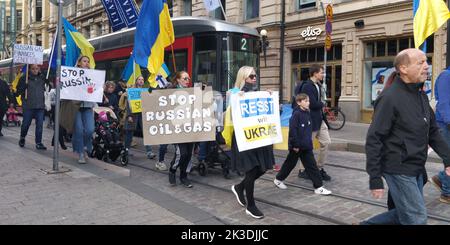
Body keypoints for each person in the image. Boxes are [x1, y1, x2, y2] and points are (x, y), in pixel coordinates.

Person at [362, 48, 450, 225]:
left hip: (416, 166)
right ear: (403, 68)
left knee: (403, 213)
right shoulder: (389, 97)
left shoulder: (420, 96)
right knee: (416, 217)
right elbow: (374, 138)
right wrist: (375, 177)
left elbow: (433, 132)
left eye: (426, 62)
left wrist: (448, 159)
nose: (427, 66)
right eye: (421, 62)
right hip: (398, 167)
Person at [230, 66, 275, 219]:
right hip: (244, 138)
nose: (254, 79)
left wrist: (269, 98)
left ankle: (239, 187)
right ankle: (251, 205)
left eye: (255, 76)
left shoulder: (257, 94)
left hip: (259, 137)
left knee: (262, 168)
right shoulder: (235, 93)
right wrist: (238, 99)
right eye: (251, 76)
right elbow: (231, 115)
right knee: (251, 169)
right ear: (243, 78)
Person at [273, 93, 332, 195]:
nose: (308, 103)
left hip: (305, 146)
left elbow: (307, 130)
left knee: (311, 166)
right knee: (290, 164)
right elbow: (293, 131)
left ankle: (319, 187)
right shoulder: (296, 114)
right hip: (297, 146)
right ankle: (278, 179)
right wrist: (295, 145)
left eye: (308, 101)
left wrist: (309, 143)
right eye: (305, 101)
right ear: (299, 102)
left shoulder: (307, 113)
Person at [297, 64, 331, 181]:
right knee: (306, 146)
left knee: (326, 142)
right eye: (321, 72)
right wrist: (323, 103)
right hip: (309, 120)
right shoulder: (307, 86)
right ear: (315, 73)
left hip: (319, 119)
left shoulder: (319, 85)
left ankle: (319, 168)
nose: (323, 74)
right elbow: (311, 104)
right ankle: (302, 170)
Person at [168, 71, 195, 188]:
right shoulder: (171, 93)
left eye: (188, 79)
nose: (187, 81)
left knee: (188, 154)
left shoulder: (192, 92)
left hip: (191, 128)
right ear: (178, 80)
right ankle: (172, 170)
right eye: (184, 79)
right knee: (181, 154)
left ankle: (184, 176)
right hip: (178, 129)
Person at [429, 66, 450, 204]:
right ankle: (447, 193)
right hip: (445, 125)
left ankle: (441, 178)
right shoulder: (446, 76)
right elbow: (443, 102)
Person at [16, 64, 48, 150]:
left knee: (40, 125)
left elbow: (49, 86)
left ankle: (39, 142)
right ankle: (22, 137)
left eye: (37, 68)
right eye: (33, 69)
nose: (35, 70)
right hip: (28, 106)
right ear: (29, 69)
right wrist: (23, 87)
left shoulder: (42, 77)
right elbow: (17, 92)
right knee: (26, 124)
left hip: (40, 106)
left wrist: (49, 82)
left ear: (39, 69)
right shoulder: (24, 78)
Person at [72, 56, 96, 163]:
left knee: (90, 129)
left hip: (88, 106)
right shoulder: (72, 74)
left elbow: (95, 90)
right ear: (79, 63)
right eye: (84, 61)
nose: (86, 63)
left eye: (88, 61)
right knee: (79, 130)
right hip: (75, 106)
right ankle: (81, 153)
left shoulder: (93, 75)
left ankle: (85, 146)